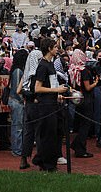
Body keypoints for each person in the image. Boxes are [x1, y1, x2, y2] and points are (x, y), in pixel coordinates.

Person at [33, 38, 68, 171]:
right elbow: (37, 88)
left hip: (53, 103)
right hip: (46, 105)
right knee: (48, 135)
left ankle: (42, 159)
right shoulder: (42, 66)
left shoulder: (50, 64)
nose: (57, 49)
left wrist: (58, 92)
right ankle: (47, 164)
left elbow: (51, 84)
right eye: (54, 47)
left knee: (53, 134)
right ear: (49, 49)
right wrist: (56, 90)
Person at [69, 48, 97, 158]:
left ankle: (78, 145)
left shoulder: (72, 70)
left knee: (81, 124)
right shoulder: (83, 70)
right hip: (86, 99)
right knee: (85, 125)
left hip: (78, 100)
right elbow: (87, 87)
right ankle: (79, 147)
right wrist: (95, 83)